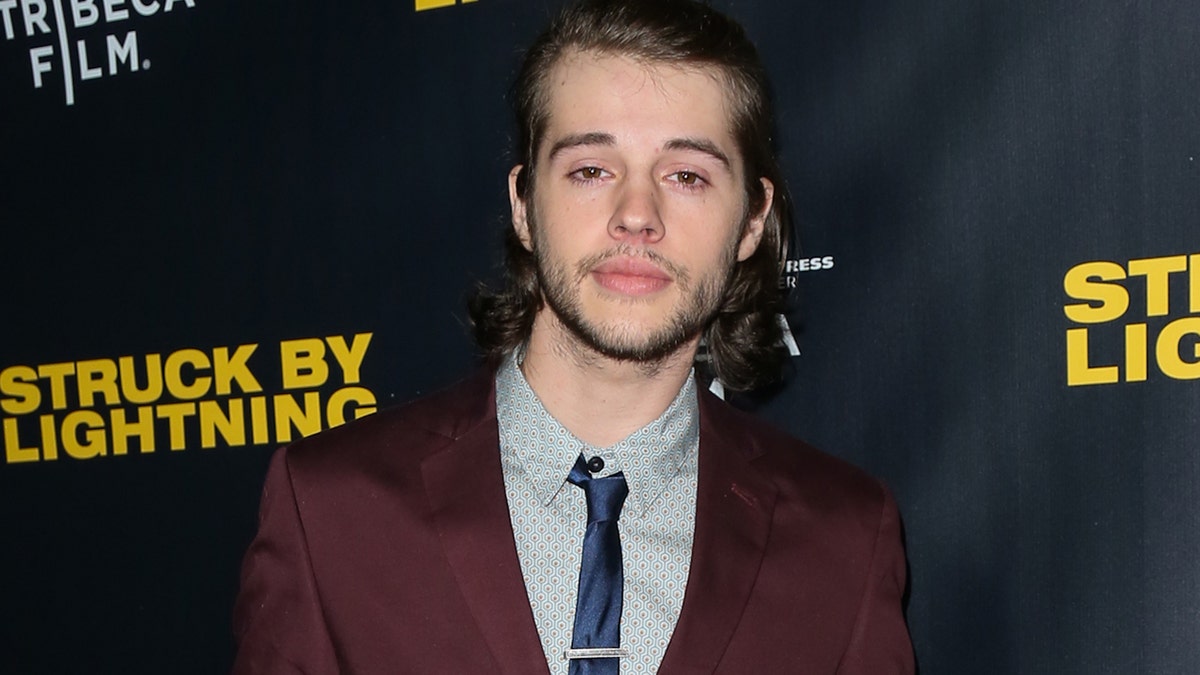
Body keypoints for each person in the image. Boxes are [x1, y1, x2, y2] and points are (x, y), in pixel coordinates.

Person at [232, 0, 914, 673]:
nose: (637, 215)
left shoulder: (846, 542)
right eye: (591, 169)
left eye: (686, 175)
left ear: (750, 222)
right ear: (524, 205)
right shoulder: (331, 512)